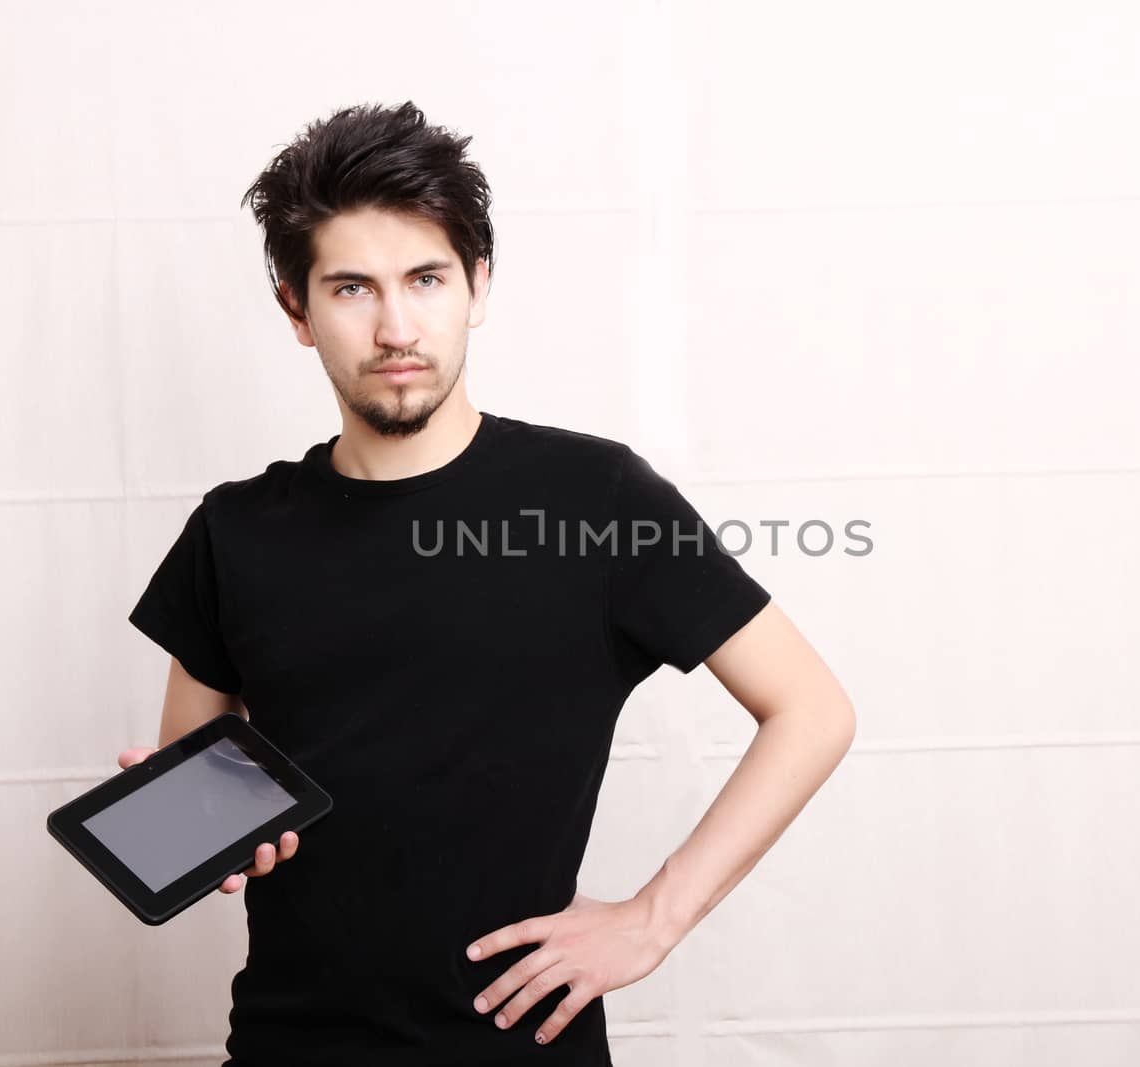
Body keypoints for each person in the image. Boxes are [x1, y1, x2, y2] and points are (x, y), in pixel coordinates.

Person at [120, 100, 856, 1067]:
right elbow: (205, 781)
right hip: (288, 1046)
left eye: (424, 278)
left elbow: (812, 708)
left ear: (477, 285)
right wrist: (199, 822)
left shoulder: (593, 496)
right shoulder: (236, 528)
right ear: (297, 311)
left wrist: (651, 918)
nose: (394, 326)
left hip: (523, 1043)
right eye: (350, 288)